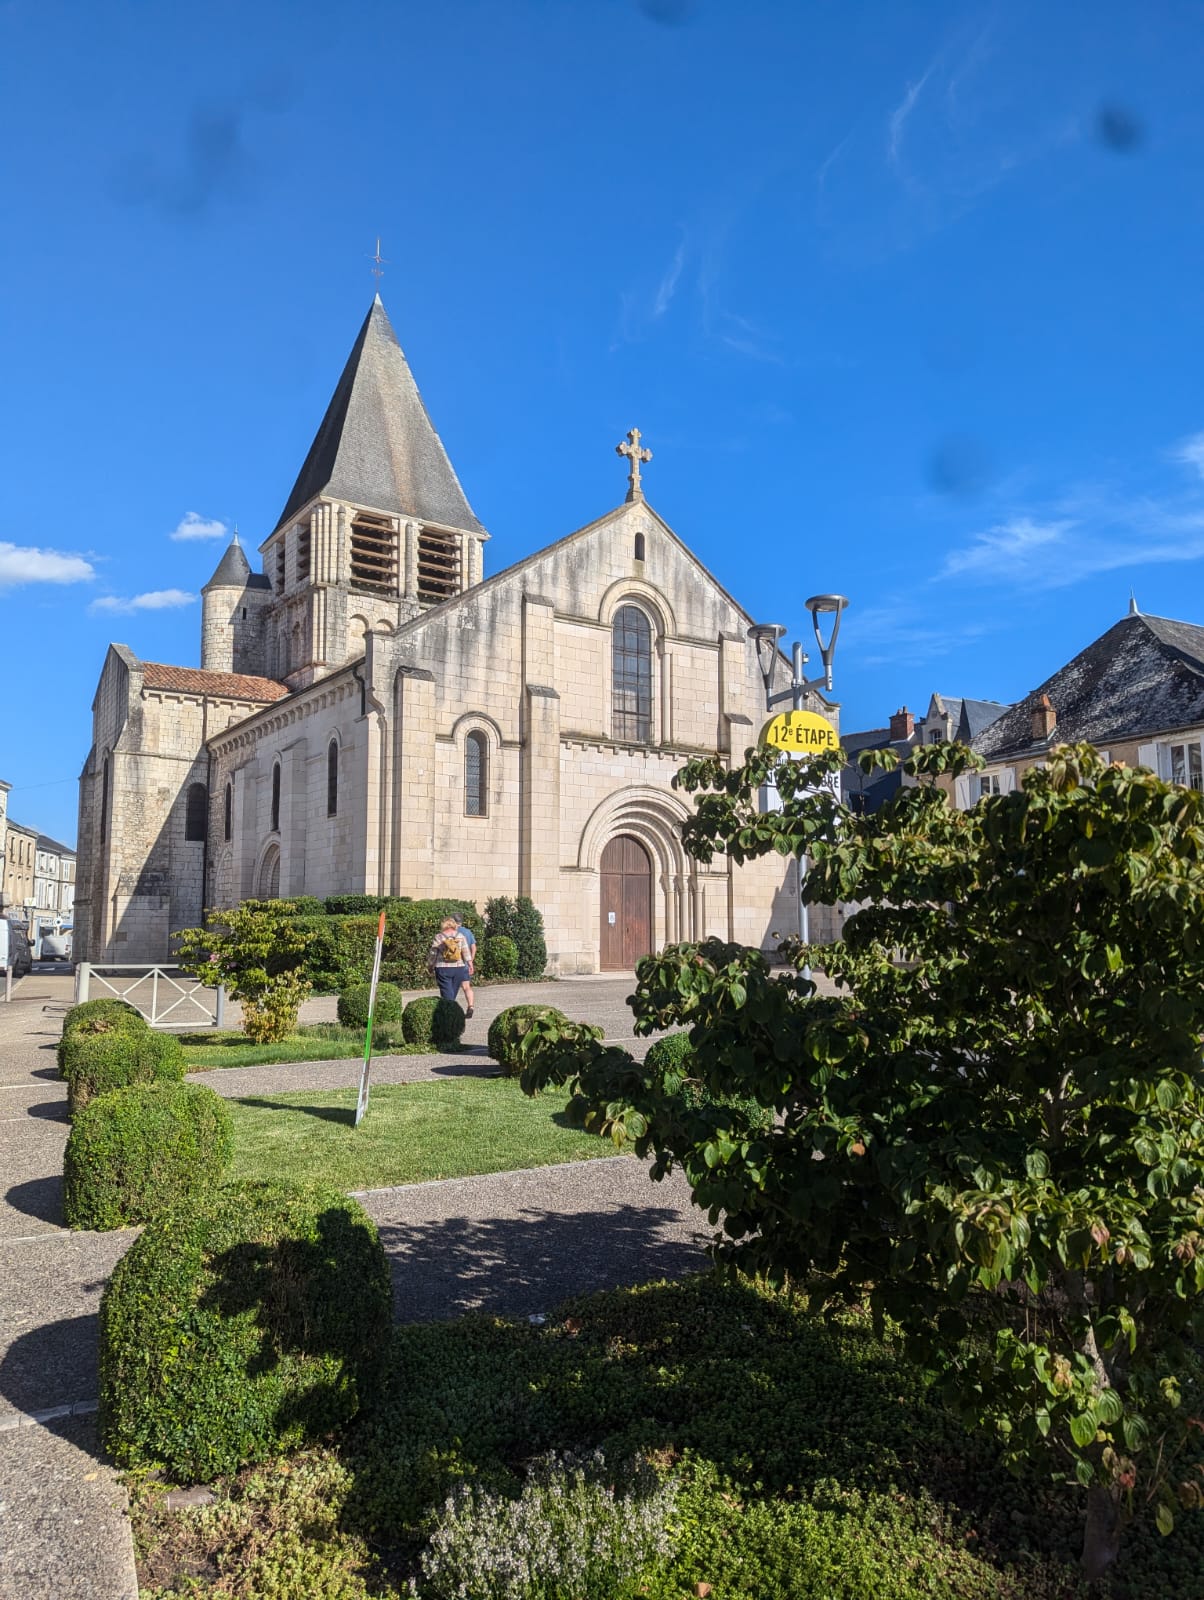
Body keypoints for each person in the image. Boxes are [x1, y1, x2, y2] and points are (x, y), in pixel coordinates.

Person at [428, 917, 471, 1007]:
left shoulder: (439, 937)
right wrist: (470, 964)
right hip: (459, 968)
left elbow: (433, 953)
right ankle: (451, 1011)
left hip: (443, 967)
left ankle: (449, 1013)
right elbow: (466, 951)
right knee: (452, 993)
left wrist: (431, 966)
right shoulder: (460, 936)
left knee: (447, 994)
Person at [457, 922, 477, 1018]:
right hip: (465, 963)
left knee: (451, 989)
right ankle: (471, 1006)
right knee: (466, 987)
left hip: (451, 965)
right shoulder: (468, 932)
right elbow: (473, 947)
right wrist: (470, 960)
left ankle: (450, 1010)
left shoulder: (449, 931)